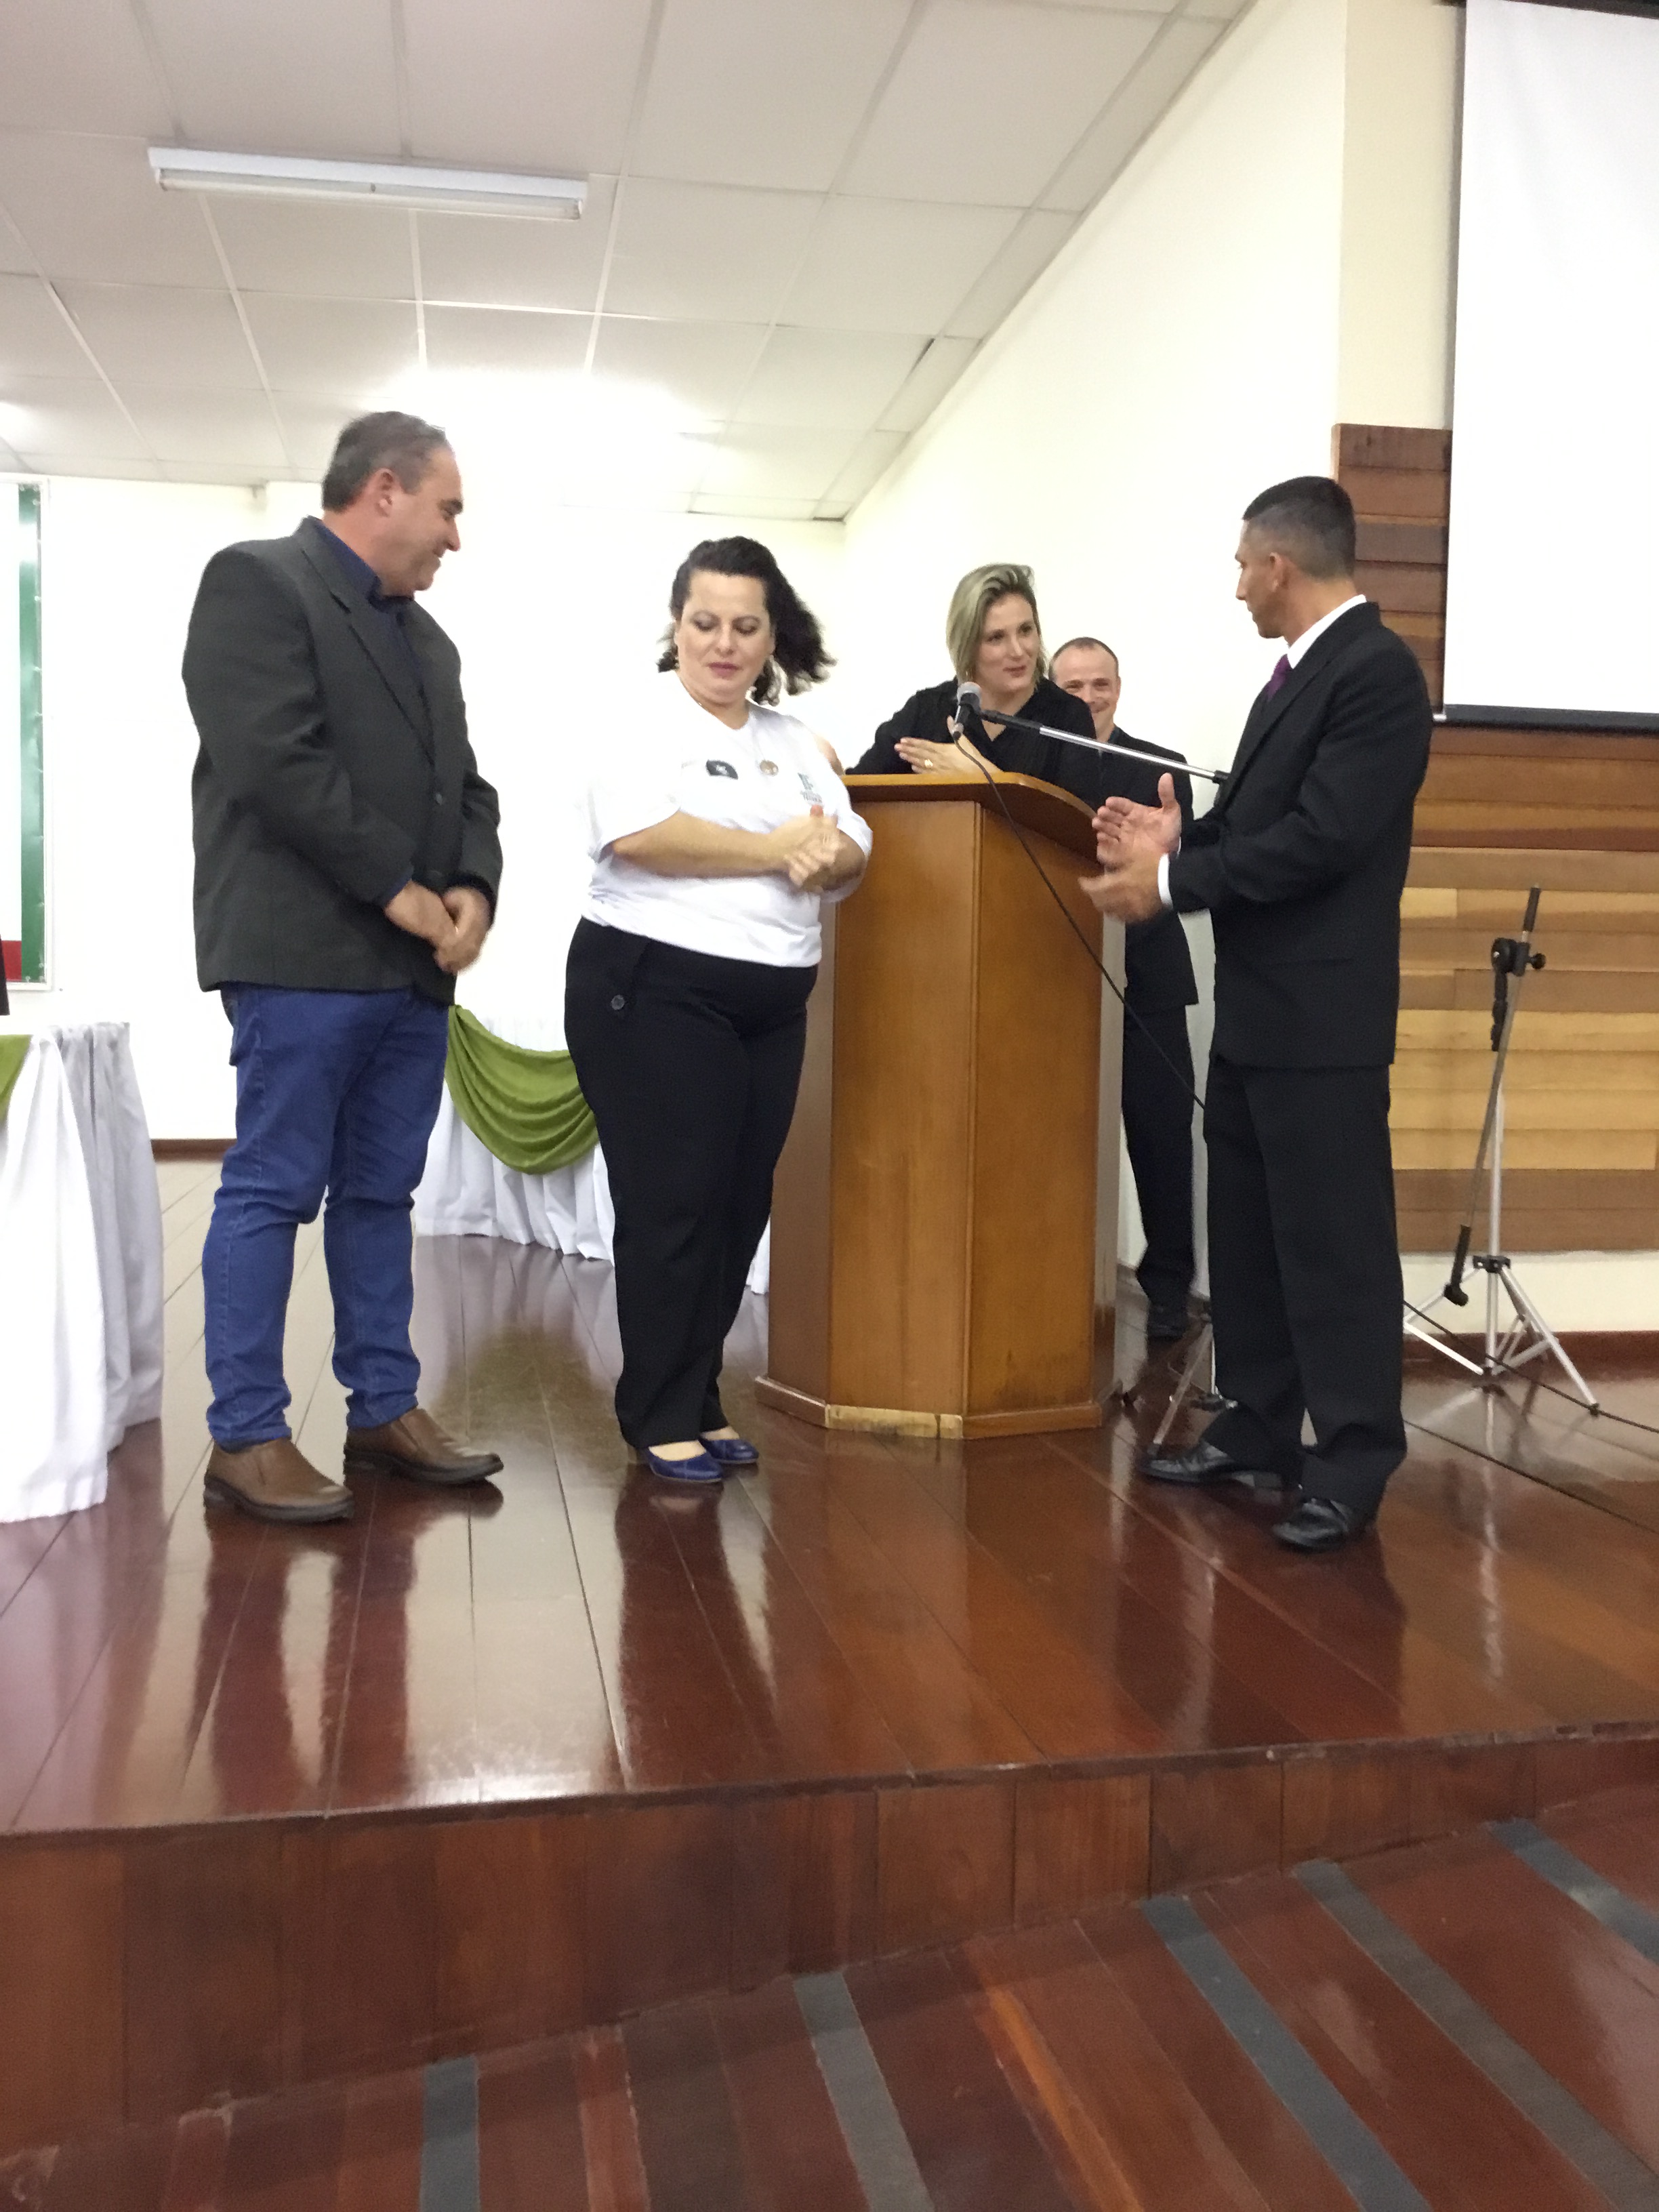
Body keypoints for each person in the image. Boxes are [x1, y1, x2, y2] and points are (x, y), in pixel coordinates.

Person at [1084, 476, 1432, 1554]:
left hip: (1322, 1023)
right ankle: (1260, 1428)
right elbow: (1256, 826)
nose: (1238, 588)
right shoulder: (1294, 676)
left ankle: (1353, 1459)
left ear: (1279, 566)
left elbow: (1324, 839)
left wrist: (1172, 880)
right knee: (1248, 1239)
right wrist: (1179, 836)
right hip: (1258, 1016)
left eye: (1244, 568)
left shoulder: (1375, 673)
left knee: (1333, 1247)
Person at [183, 410, 505, 1525]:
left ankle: (384, 1407)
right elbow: (276, 764)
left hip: (410, 973)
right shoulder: (257, 584)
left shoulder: (429, 642)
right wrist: (400, 890)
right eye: (447, 508)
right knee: (274, 1187)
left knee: (380, 1194)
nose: (455, 535)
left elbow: (467, 789)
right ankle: (246, 1434)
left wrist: (474, 888)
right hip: (301, 955)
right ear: (384, 490)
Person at [565, 537, 870, 1485]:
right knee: (675, 1201)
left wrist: (832, 853)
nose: (725, 644)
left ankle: (696, 1397)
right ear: (677, 626)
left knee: (739, 1203)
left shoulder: (797, 743)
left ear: (773, 636)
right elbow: (642, 834)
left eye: (746, 626)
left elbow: (853, 844)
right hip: (655, 990)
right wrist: (781, 848)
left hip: (773, 1002)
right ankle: (655, 1412)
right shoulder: (639, 721)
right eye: (706, 623)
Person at [1052, 636, 1199, 1340]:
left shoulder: (1161, 769)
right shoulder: (1032, 765)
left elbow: (1184, 872)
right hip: (1054, 976)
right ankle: (1055, 1281)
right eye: (1072, 686)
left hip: (1150, 980)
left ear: (1119, 687)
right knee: (1054, 1142)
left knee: (1162, 1139)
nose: (1088, 697)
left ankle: (1169, 1290)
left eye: (1100, 684)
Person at [851, 562, 1097, 787]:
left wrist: (983, 777)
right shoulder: (927, 711)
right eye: (996, 638)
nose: (1018, 651)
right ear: (967, 646)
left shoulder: (1068, 717)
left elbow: (1076, 819)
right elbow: (860, 794)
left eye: (1025, 630)